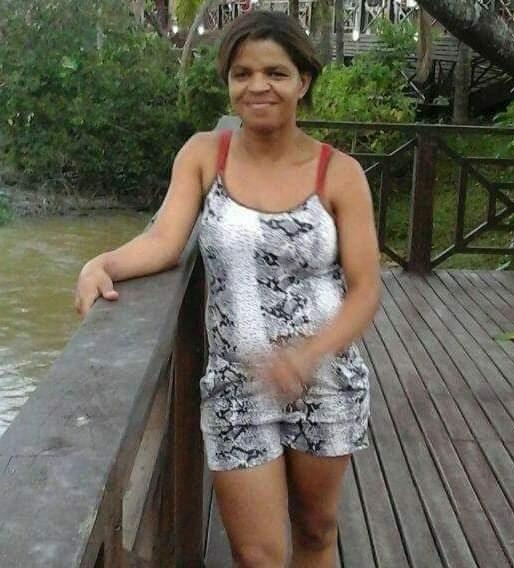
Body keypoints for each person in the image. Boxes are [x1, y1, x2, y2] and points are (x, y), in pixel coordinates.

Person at [75, 10, 381, 568]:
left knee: (316, 530)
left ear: (303, 81)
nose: (258, 86)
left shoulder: (339, 173)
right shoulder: (204, 154)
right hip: (237, 384)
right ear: (229, 83)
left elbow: (365, 290)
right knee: (257, 554)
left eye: (275, 73)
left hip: (326, 378)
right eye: (243, 74)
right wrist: (104, 263)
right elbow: (165, 241)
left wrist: (307, 355)